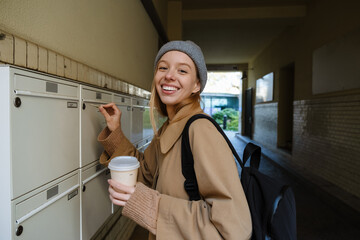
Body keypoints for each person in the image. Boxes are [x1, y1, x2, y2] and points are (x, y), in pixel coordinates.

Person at [97, 40, 252, 240]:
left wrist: (152, 207)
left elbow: (234, 227)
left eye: (182, 71)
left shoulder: (200, 129)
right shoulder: (170, 127)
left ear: (197, 85)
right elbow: (145, 174)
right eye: (163, 67)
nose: (169, 75)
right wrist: (115, 132)